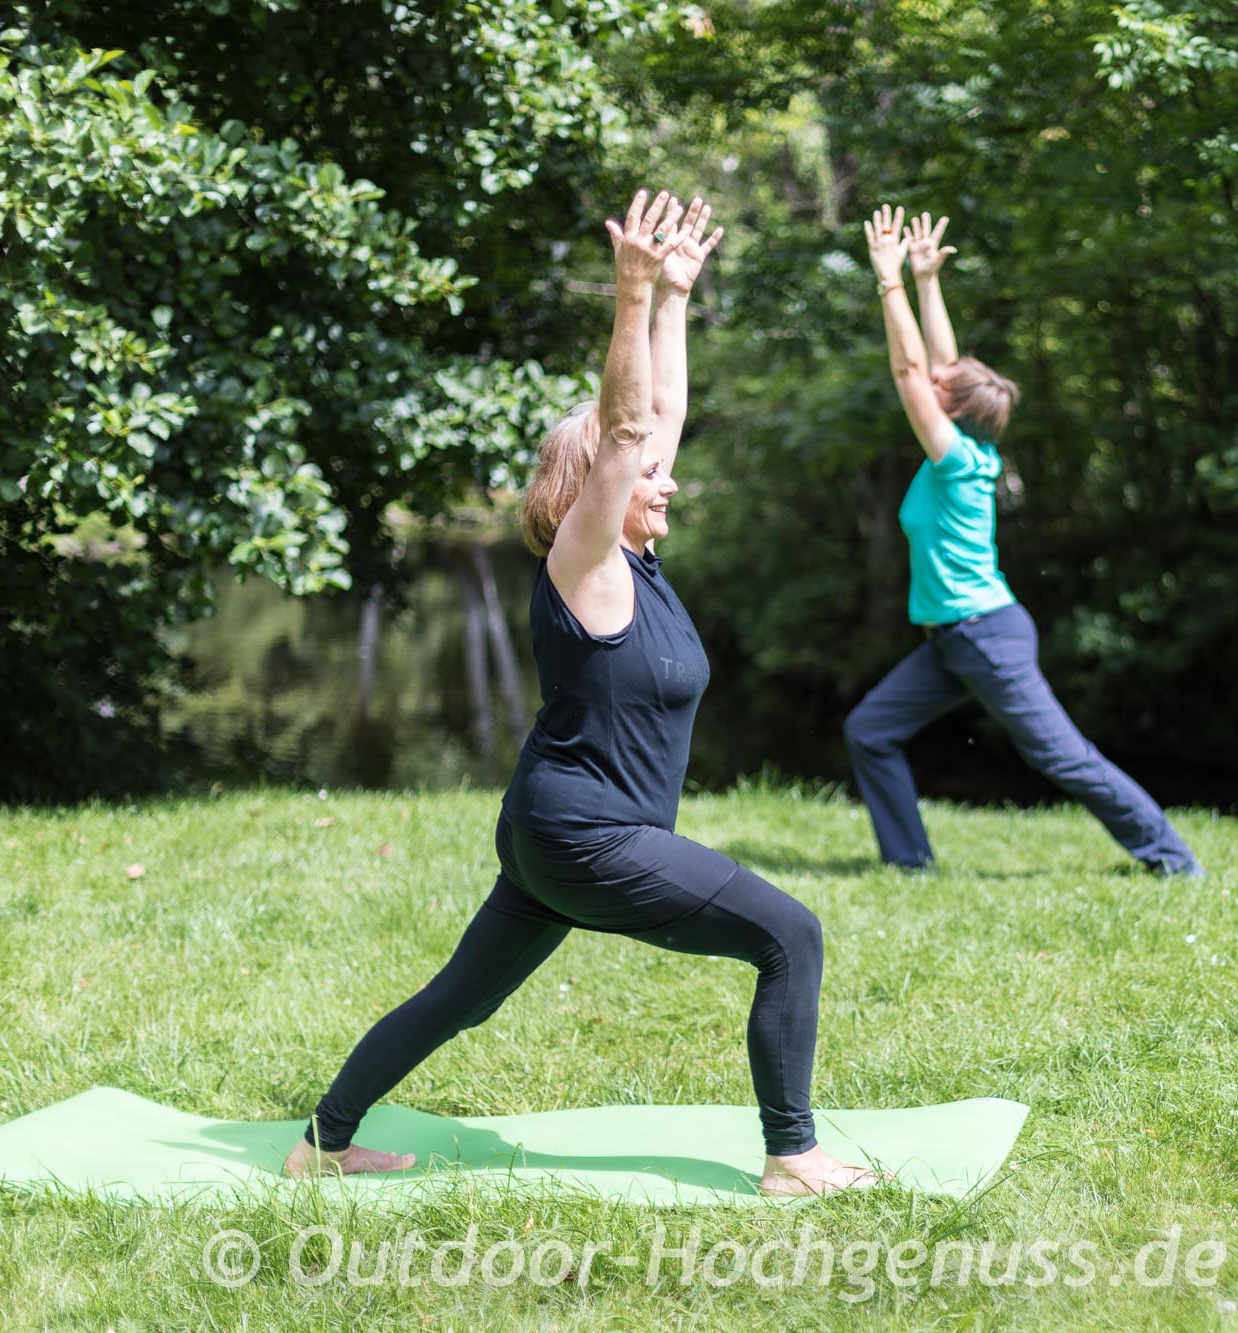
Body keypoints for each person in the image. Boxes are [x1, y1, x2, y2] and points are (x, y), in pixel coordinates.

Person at [284, 189, 877, 1196]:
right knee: (792, 933)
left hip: (552, 829)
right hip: (586, 836)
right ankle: (792, 1155)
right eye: (647, 474)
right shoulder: (586, 561)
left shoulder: (635, 558)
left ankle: (321, 1142)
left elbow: (659, 418)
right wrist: (629, 293)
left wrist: (675, 298)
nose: (668, 480)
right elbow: (629, 427)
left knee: (463, 996)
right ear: (598, 483)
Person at [843, 206, 1203, 878]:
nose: (935, 380)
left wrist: (889, 280)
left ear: (950, 408)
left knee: (1061, 756)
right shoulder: (966, 448)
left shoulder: (954, 459)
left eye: (941, 388)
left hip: (983, 632)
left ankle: (1172, 858)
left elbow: (911, 371)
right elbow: (942, 366)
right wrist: (926, 279)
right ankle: (909, 865)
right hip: (953, 638)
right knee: (870, 730)